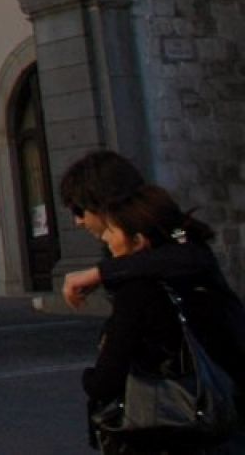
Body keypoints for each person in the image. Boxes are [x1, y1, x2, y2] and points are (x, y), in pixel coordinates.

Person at [81, 185, 245, 453]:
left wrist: (88, 378)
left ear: (138, 240)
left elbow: (105, 382)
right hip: (224, 420)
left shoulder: (137, 292)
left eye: (111, 230)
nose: (106, 239)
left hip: (165, 431)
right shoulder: (196, 274)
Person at [63, 151, 211, 310]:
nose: (78, 222)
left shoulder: (173, 229)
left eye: (79, 211)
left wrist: (103, 272)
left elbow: (187, 254)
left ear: (102, 204)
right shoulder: (124, 250)